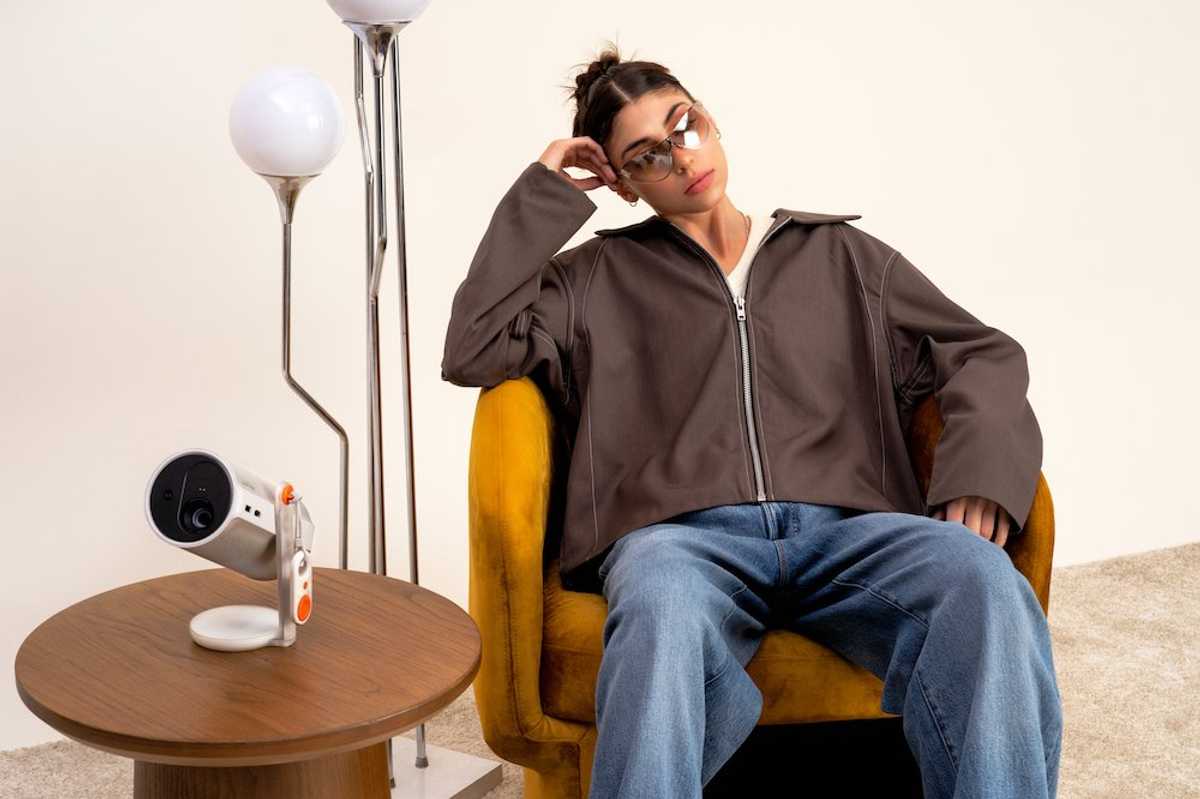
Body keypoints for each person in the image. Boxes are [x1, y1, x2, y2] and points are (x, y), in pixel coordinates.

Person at [441, 41, 1062, 799]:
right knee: (660, 608)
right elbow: (472, 346)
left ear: (711, 117)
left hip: (849, 529)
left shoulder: (842, 255)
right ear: (624, 184)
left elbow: (983, 351)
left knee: (986, 583)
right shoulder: (588, 282)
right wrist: (544, 189)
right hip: (680, 540)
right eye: (646, 155)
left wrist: (979, 474)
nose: (681, 157)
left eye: (684, 126)